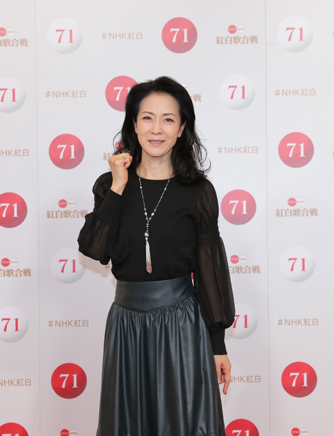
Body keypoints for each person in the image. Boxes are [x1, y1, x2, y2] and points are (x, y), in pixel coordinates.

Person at [78, 76, 235, 436]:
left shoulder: (197, 191)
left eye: (168, 119)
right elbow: (94, 248)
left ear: (181, 129)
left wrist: (217, 346)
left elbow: (209, 270)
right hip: (127, 326)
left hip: (181, 326)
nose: (157, 129)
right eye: (147, 118)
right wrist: (118, 186)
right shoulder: (109, 184)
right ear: (134, 124)